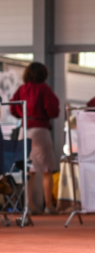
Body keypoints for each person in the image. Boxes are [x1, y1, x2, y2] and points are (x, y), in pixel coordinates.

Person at [10, 62, 60, 214]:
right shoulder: (44, 88)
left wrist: (22, 115)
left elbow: (13, 107)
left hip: (25, 129)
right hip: (40, 129)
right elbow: (52, 109)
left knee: (28, 170)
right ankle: (49, 206)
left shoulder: (22, 89)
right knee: (46, 170)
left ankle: (29, 206)